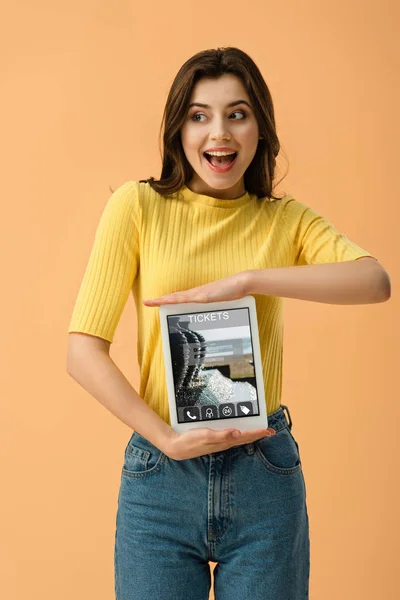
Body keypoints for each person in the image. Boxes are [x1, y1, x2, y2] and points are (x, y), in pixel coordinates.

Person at [67, 47, 390, 600]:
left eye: (237, 113)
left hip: (263, 472)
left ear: (260, 126)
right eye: (200, 115)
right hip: (160, 477)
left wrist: (249, 281)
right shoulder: (136, 207)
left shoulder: (284, 219)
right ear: (178, 128)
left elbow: (375, 281)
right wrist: (165, 438)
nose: (220, 132)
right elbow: (82, 351)